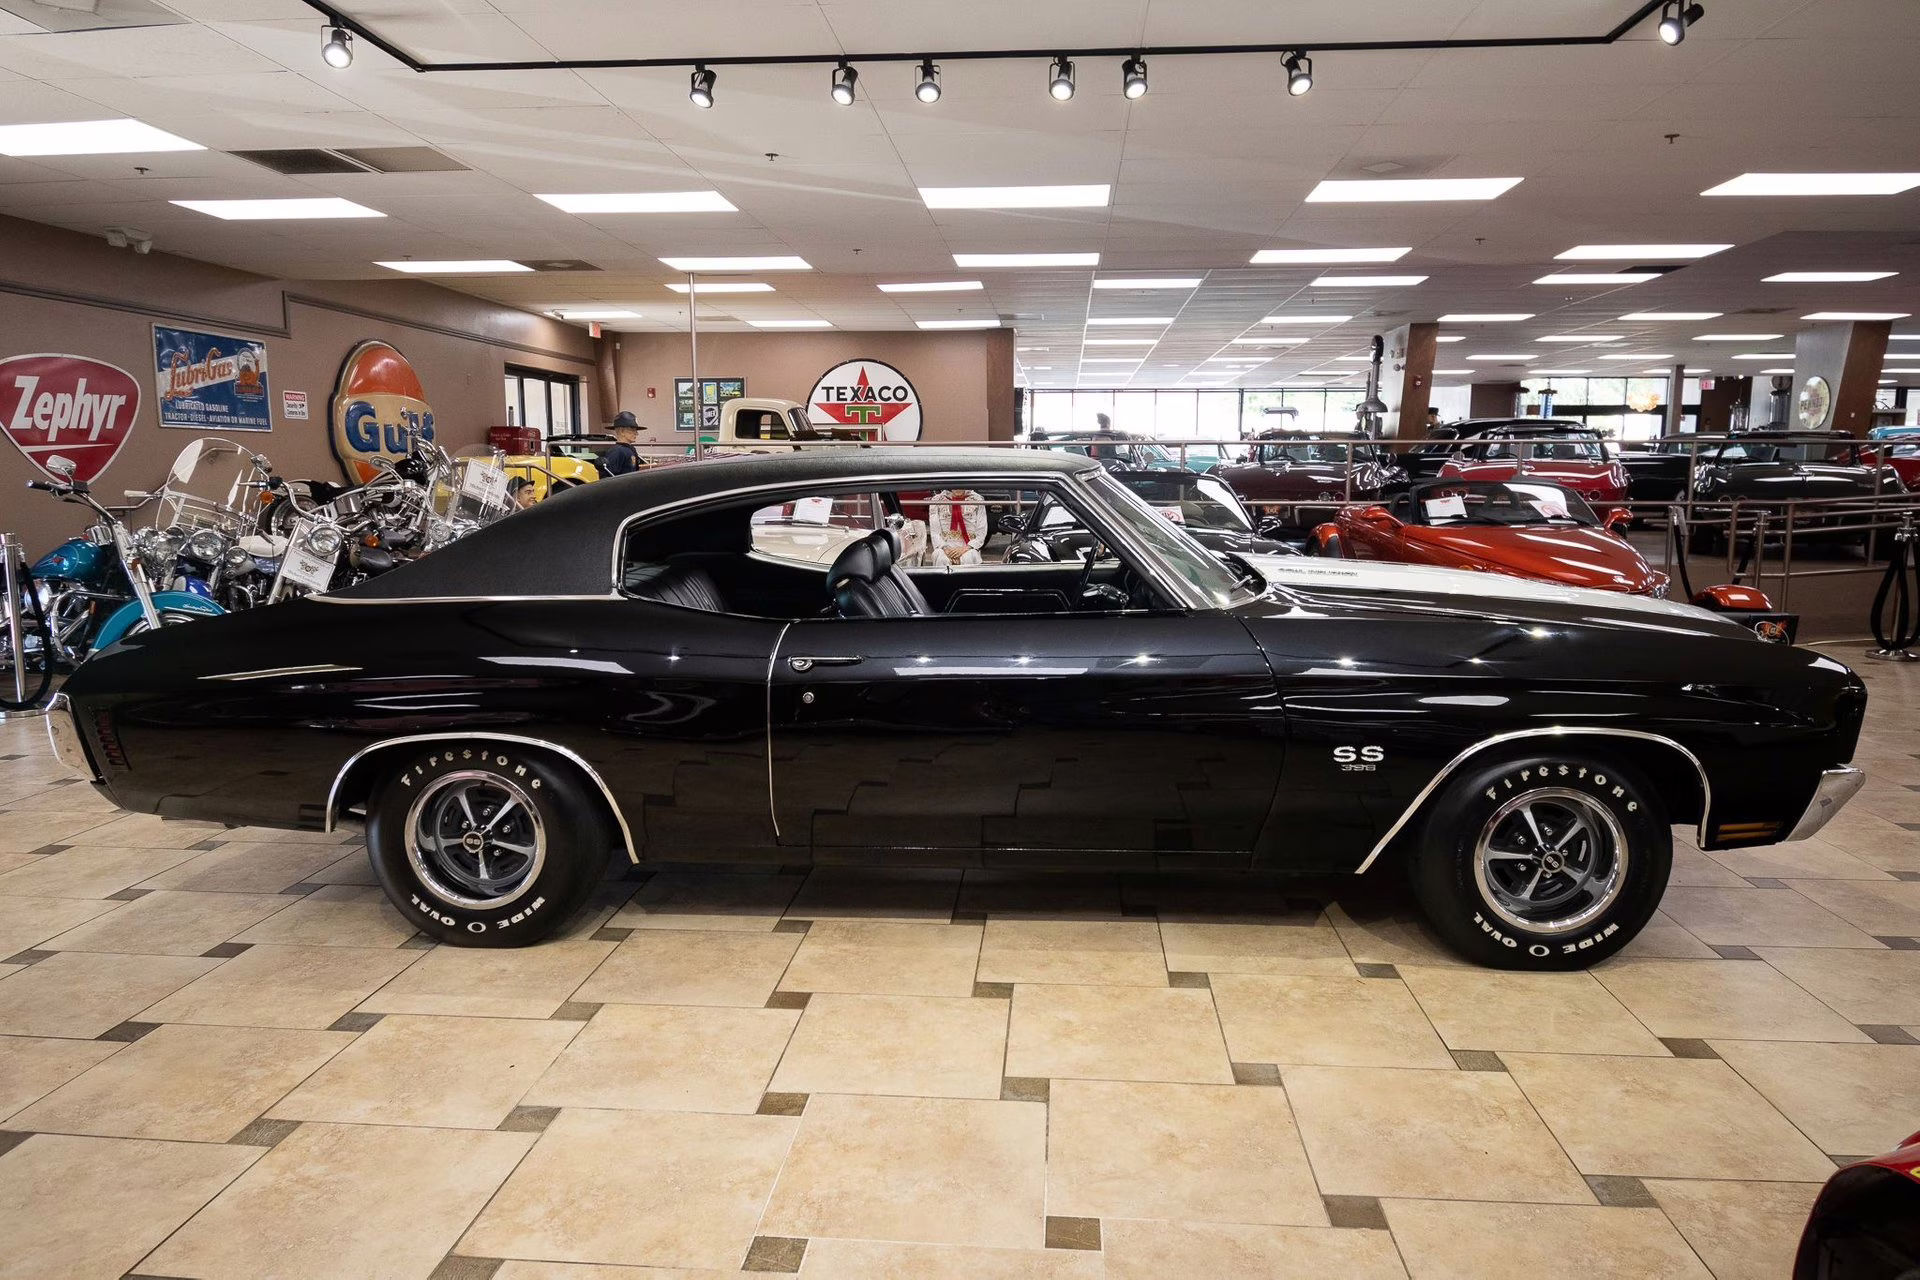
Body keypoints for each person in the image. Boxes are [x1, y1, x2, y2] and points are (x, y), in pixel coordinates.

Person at [599, 411, 641, 477]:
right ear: (622, 432)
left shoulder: (631, 449)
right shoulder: (616, 452)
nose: (636, 433)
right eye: (632, 430)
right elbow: (608, 477)